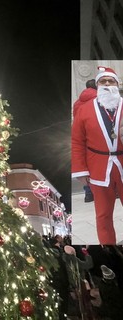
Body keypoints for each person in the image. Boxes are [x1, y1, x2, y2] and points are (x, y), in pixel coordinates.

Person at [72, 66, 123, 245]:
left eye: (111, 81)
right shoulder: (84, 110)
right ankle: (108, 251)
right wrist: (80, 170)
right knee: (103, 216)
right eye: (103, 81)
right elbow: (77, 141)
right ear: (97, 85)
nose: (107, 84)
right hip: (98, 167)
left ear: (117, 84)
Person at [73, 80, 97, 203]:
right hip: (96, 136)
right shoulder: (98, 99)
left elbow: (75, 120)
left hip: (83, 137)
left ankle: (88, 194)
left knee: (86, 166)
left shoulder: (77, 103)